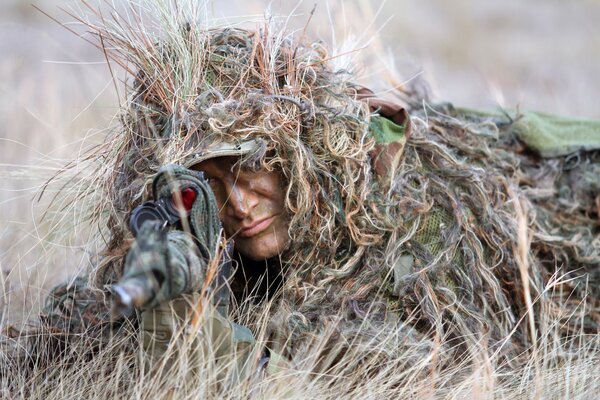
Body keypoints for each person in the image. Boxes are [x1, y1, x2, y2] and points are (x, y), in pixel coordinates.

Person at [35, 12, 599, 387]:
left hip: (563, 193)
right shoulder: (195, 232)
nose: (239, 204)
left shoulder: (387, 212)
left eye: (252, 168)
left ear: (299, 159)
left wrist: (226, 337)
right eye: (209, 183)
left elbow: (407, 361)